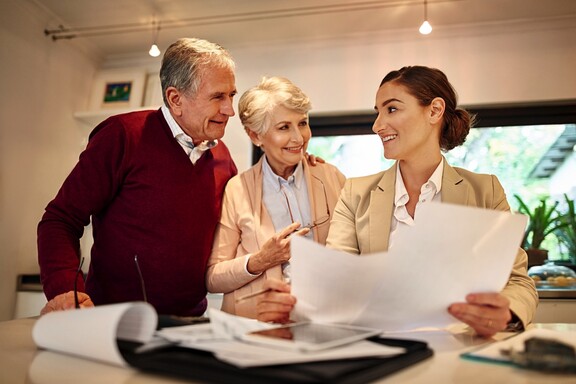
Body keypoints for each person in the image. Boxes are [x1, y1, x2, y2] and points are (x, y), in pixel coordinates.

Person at [255, 66, 539, 337]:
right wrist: (298, 302)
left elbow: (518, 281)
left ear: (435, 111)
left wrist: (507, 314)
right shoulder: (355, 193)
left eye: (392, 109)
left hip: (458, 349)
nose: (378, 125)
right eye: (377, 113)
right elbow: (338, 284)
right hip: (380, 351)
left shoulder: (484, 191)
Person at [37, 38, 238, 317]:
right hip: (112, 321)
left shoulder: (223, 158)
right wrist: (64, 289)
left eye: (232, 96)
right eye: (218, 97)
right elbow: (60, 220)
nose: (230, 109)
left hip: (191, 324)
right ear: (175, 99)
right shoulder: (122, 136)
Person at [206, 76, 346, 318]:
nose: (298, 138)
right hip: (257, 325)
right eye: (284, 127)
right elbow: (213, 278)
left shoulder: (331, 177)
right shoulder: (237, 189)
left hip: (325, 319)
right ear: (255, 136)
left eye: (302, 123)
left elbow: (359, 254)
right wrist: (260, 260)